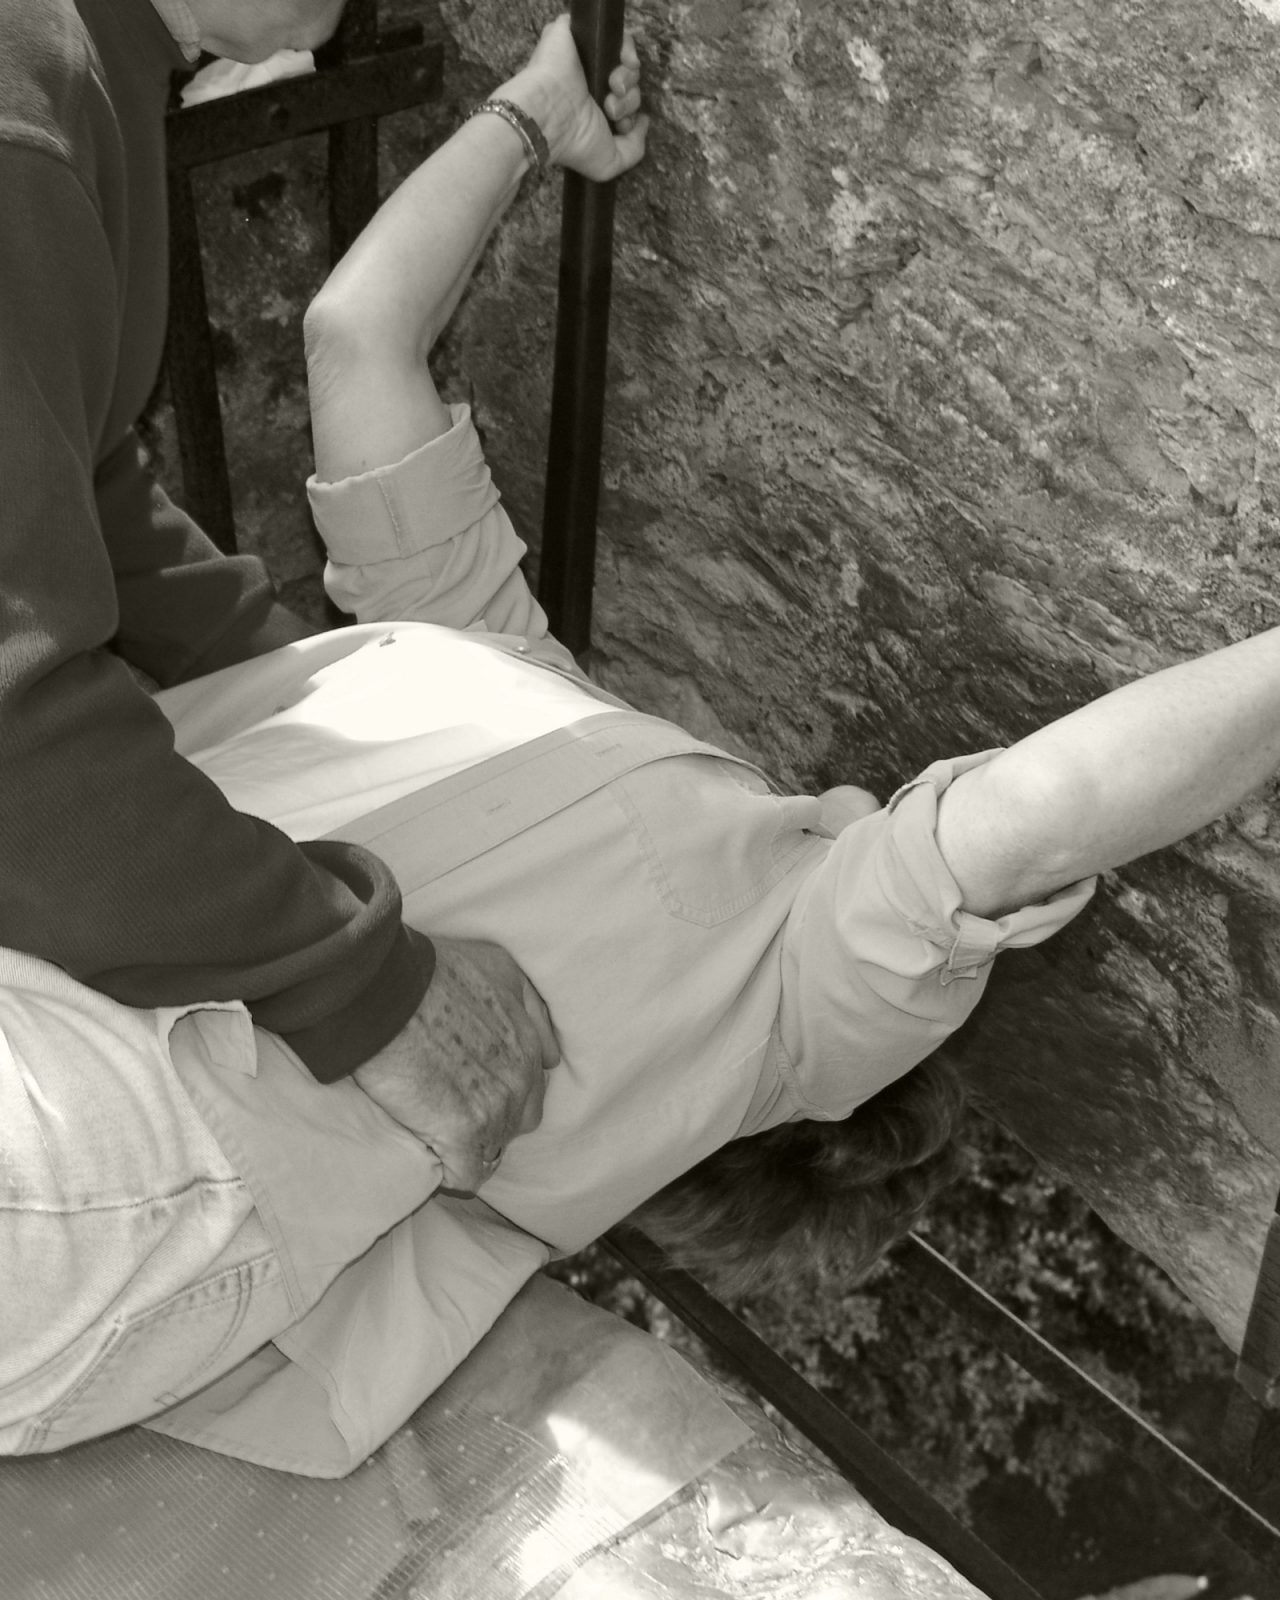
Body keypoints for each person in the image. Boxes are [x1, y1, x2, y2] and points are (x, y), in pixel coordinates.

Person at [2, 8, 1276, 1481]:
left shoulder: (767, 994)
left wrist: (534, 112)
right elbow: (353, 341)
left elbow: (1033, 816)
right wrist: (549, 107)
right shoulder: (538, 715)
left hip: (138, 1151)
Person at [0, 0, 558, 1210]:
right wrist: (354, 986)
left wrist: (313, 684)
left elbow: (80, 475)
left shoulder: (88, 63)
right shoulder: (19, 114)